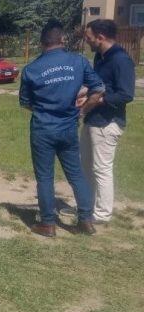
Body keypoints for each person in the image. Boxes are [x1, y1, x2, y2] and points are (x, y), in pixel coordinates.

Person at [19, 20, 104, 237]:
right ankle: (86, 219)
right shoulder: (78, 62)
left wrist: (45, 108)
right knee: (76, 174)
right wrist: (82, 111)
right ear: (62, 40)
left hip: (43, 128)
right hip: (68, 127)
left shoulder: (31, 69)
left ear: (41, 43)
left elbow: (26, 102)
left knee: (45, 177)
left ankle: (48, 224)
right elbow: (97, 89)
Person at [80, 19, 136, 224]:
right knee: (86, 166)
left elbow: (126, 94)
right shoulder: (100, 57)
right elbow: (96, 84)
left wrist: (99, 100)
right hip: (92, 119)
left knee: (102, 168)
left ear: (100, 37)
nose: (87, 41)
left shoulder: (121, 60)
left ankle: (102, 214)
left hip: (108, 122)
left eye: (89, 38)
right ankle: (87, 207)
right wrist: (84, 95)